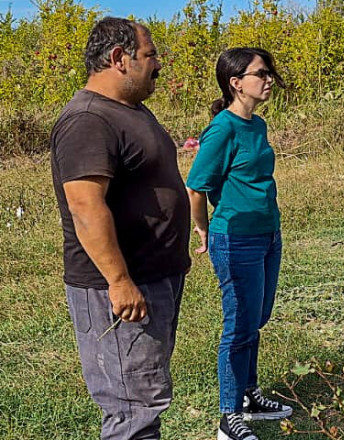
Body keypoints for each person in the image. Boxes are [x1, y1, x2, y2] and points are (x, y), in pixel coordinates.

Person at [50, 17, 191, 439]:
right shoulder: (88, 120)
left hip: (154, 278)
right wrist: (119, 280)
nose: (158, 64)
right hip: (123, 289)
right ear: (119, 58)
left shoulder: (129, 109)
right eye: (150, 55)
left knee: (145, 394)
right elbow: (85, 206)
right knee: (133, 409)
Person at [186, 48, 293, 440]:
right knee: (238, 326)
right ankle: (228, 416)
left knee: (257, 319)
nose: (268, 79)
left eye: (268, 72)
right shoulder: (223, 129)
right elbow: (197, 186)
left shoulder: (257, 125)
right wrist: (202, 229)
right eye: (260, 73)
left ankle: (248, 396)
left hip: (267, 234)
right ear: (236, 83)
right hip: (235, 239)